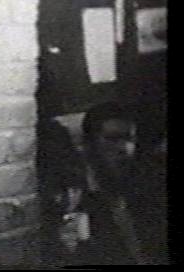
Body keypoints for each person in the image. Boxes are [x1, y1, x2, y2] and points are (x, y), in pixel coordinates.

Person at [59, 102, 164, 265]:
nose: (124, 147)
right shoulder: (75, 193)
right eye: (112, 139)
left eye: (129, 138)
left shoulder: (146, 181)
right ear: (90, 144)